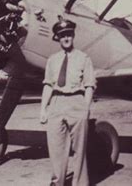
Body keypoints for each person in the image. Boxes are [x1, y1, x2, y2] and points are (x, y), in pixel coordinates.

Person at [40, 17, 96, 186]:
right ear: (57, 37)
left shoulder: (84, 58)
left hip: (76, 102)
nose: (66, 38)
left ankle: (80, 183)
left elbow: (89, 86)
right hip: (56, 103)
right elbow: (48, 85)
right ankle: (58, 182)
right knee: (56, 149)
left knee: (80, 150)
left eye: (69, 34)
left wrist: (85, 109)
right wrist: (43, 109)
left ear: (73, 36)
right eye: (62, 35)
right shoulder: (52, 60)